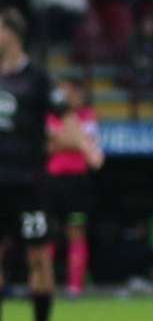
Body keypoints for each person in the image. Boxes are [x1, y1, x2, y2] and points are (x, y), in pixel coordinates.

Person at [0, 8, 71, 321]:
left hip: (29, 183)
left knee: (39, 257)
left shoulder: (37, 78)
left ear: (12, 34)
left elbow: (64, 116)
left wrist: (84, 144)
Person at [44, 81, 103, 297]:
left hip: (77, 183)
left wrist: (65, 139)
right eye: (64, 92)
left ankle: (74, 287)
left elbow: (90, 148)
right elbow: (48, 147)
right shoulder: (50, 115)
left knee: (76, 233)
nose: (68, 96)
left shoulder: (88, 116)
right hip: (52, 182)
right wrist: (77, 141)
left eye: (72, 92)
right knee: (45, 234)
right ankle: (44, 285)